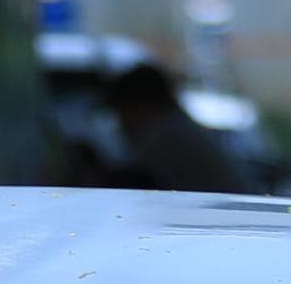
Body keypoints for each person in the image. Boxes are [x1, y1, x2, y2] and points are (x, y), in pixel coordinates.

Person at [100, 60, 259, 196]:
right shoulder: (177, 129)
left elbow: (128, 184)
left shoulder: (167, 136)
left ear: (139, 106)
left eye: (121, 112)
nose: (121, 124)